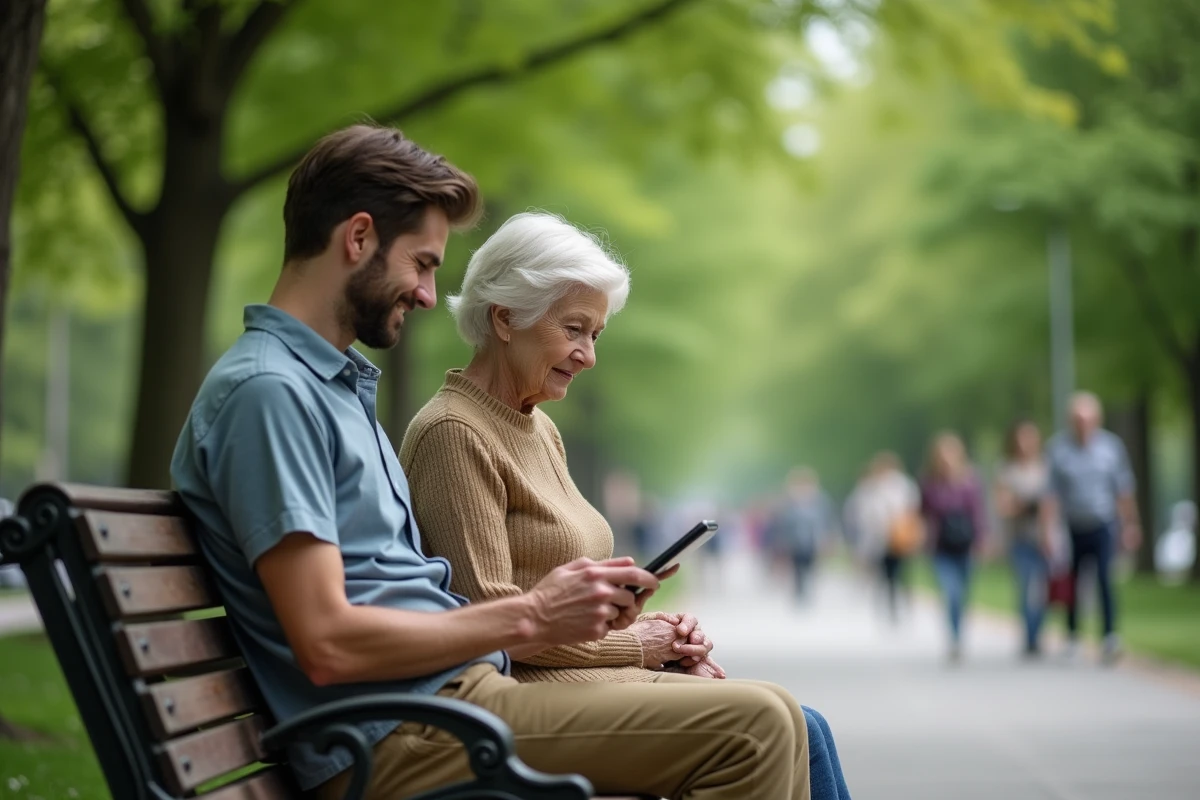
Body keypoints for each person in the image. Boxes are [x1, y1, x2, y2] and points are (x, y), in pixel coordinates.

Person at [170, 124, 831, 800]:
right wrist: (535, 615)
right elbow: (327, 642)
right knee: (758, 727)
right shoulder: (269, 394)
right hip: (394, 733)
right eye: (423, 263)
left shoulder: (326, 387)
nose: (430, 295)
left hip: (446, 700)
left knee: (776, 715)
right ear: (359, 237)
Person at [400, 211, 852, 799]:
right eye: (574, 329)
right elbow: (493, 621)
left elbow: (555, 587)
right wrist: (639, 644)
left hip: (577, 674)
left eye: (596, 334)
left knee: (805, 725)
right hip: (519, 692)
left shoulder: (538, 428)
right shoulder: (454, 433)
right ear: (505, 318)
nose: (588, 354)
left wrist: (649, 625)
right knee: (776, 723)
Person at [1045, 391, 1142, 664]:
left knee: (1104, 579)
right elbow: (1051, 494)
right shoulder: (1058, 449)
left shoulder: (1111, 448)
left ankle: (1109, 636)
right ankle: (1073, 635)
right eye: (1078, 419)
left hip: (1103, 523)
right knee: (1072, 582)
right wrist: (1047, 530)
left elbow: (1123, 489)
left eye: (1087, 419)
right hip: (1072, 525)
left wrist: (1131, 524)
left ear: (1097, 420)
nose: (1083, 424)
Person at [920, 432, 986, 662]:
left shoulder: (969, 481)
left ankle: (959, 633)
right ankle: (954, 637)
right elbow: (923, 514)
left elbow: (977, 512)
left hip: (965, 545)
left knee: (963, 594)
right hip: (941, 547)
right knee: (951, 593)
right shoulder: (930, 484)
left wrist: (981, 540)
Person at [994, 420, 1052, 657]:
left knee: (1045, 590)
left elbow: (1053, 503)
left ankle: (1038, 632)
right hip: (1019, 538)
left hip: (1044, 537)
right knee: (1025, 587)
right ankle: (1029, 637)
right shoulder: (1007, 469)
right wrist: (1029, 504)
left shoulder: (1046, 467)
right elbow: (1004, 506)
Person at [845, 452, 921, 624]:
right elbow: (863, 513)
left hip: (899, 537)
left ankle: (899, 604)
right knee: (888, 574)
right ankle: (891, 605)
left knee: (899, 573)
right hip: (881, 539)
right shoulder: (873, 488)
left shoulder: (901, 486)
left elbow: (911, 510)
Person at [765, 467, 837, 602]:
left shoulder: (820, 500)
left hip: (813, 539)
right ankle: (799, 592)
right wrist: (781, 540)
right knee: (797, 566)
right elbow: (780, 522)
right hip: (794, 540)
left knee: (811, 565)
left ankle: (808, 589)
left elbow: (827, 520)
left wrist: (828, 538)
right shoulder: (788, 501)